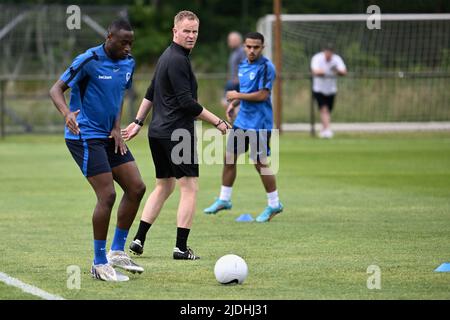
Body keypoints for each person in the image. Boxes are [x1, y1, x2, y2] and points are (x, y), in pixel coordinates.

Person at [121, 11, 229, 260]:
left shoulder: (166, 56)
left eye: (195, 32)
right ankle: (181, 247)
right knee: (189, 187)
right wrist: (219, 122)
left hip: (157, 133)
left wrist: (138, 122)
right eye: (186, 31)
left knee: (164, 185)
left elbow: (150, 92)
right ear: (175, 31)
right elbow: (187, 104)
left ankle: (138, 239)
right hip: (177, 133)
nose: (191, 36)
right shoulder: (178, 59)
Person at [49, 19, 146, 282]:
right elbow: (56, 89)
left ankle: (116, 252)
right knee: (107, 195)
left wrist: (116, 126)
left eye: (131, 43)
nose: (128, 48)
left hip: (108, 135)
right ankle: (99, 263)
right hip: (84, 136)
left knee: (136, 187)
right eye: (123, 42)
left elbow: (118, 96)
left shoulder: (128, 63)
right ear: (109, 37)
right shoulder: (88, 59)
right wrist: (67, 112)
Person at [203, 32, 284, 223]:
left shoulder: (267, 67)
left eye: (256, 47)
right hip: (242, 121)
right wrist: (235, 104)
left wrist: (236, 96)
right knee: (229, 158)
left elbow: (263, 95)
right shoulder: (243, 65)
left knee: (260, 163)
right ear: (244, 47)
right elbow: (248, 92)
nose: (252, 50)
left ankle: (274, 203)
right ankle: (224, 199)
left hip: (260, 124)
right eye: (248, 46)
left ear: (262, 48)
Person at [310, 43, 347, 138]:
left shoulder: (336, 59)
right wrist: (326, 71)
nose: (329, 54)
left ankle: (323, 130)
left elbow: (344, 71)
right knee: (324, 109)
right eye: (327, 51)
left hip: (331, 89)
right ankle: (328, 130)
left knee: (328, 111)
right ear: (324, 51)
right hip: (319, 89)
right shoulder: (317, 58)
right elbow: (315, 71)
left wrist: (336, 70)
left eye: (330, 52)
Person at [221, 31, 246, 110]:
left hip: (238, 84)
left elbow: (245, 66)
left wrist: (238, 78)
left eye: (232, 40)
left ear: (238, 40)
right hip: (232, 82)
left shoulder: (242, 51)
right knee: (230, 104)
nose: (230, 42)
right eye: (229, 40)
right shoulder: (234, 52)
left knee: (230, 103)